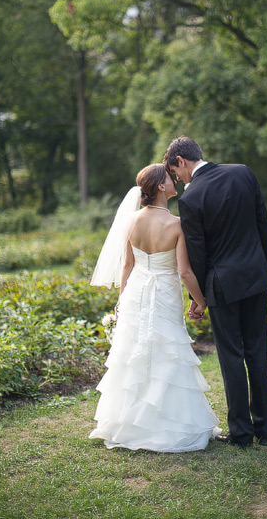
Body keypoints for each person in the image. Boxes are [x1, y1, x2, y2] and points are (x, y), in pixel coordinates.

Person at [88, 163, 221, 452]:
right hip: (164, 293)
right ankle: (168, 424)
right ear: (161, 187)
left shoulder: (132, 221)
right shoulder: (176, 224)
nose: (174, 180)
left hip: (136, 292)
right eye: (169, 178)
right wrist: (201, 301)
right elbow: (184, 273)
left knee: (134, 353)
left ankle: (128, 423)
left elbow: (127, 265)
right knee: (166, 350)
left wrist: (122, 300)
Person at [164, 136, 267, 448]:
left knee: (231, 356)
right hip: (255, 276)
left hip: (222, 285)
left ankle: (241, 433)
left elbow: (197, 255)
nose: (178, 179)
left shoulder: (191, 198)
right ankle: (263, 429)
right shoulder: (243, 172)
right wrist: (263, 264)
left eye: (176, 172)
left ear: (181, 161)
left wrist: (196, 300)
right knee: (257, 352)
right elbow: (261, 220)